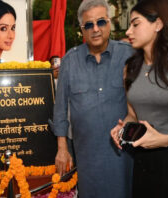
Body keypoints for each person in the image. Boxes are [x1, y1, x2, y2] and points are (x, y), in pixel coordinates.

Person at [52, 0, 134, 197]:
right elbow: (60, 108)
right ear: (82, 29)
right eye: (89, 25)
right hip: (87, 155)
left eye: (101, 22)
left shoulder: (128, 55)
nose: (95, 29)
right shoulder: (70, 61)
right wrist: (62, 149)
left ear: (109, 23)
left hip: (123, 154)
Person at [110, 0, 168, 197]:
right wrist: (123, 128)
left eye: (135, 24)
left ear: (158, 24)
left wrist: (164, 140)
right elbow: (132, 114)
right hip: (143, 164)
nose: (129, 32)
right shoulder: (130, 68)